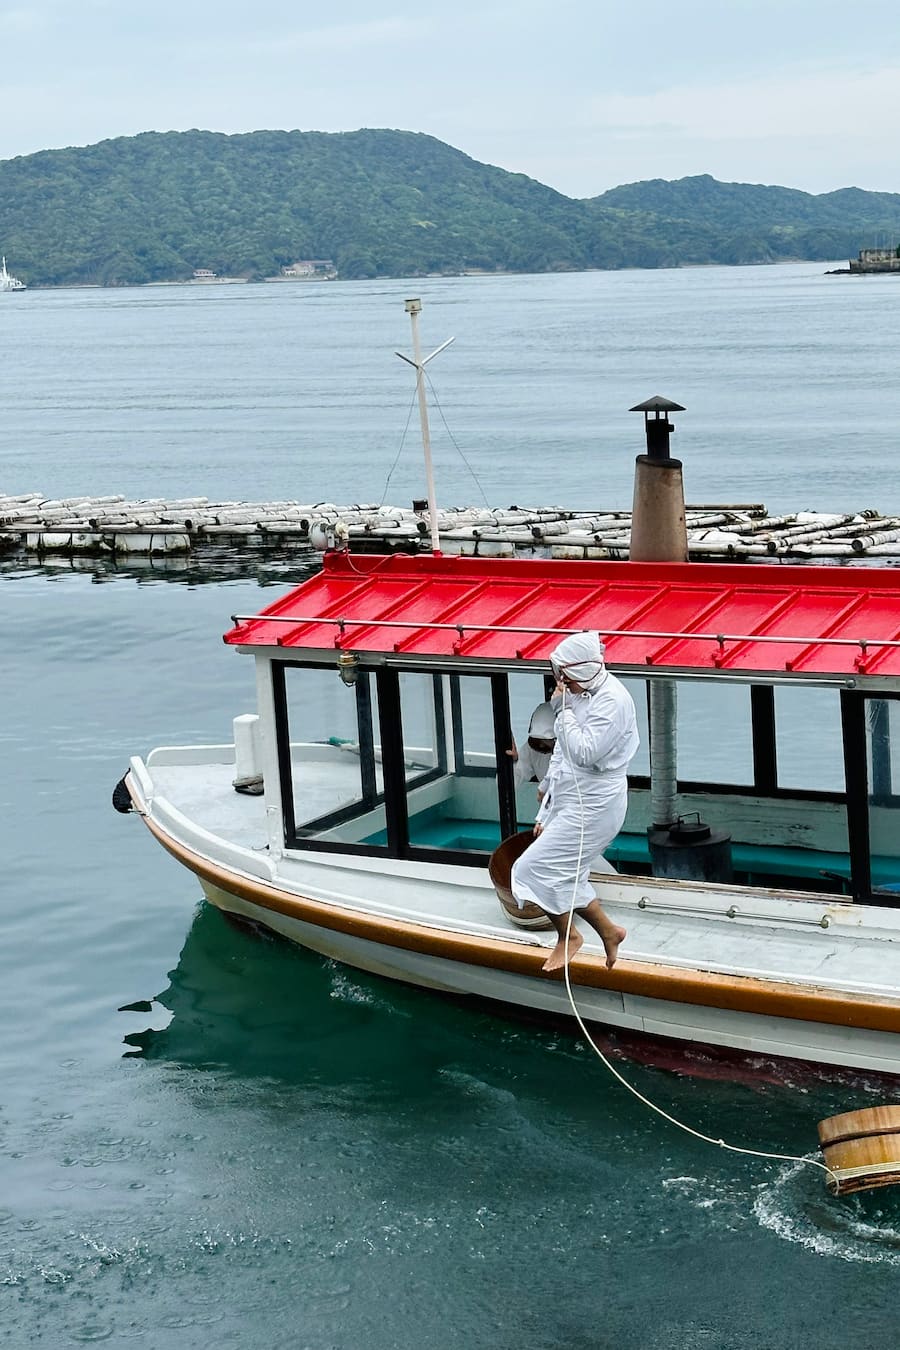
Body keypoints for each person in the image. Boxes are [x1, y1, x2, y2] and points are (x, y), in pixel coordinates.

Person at [510, 630, 639, 975]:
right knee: (568, 874)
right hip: (570, 796)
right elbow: (561, 754)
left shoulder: (612, 701)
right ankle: (610, 933)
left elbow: (582, 753)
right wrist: (548, 798)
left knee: (528, 869)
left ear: (581, 672)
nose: (560, 682)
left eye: (564, 675)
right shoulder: (577, 696)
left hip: (597, 802)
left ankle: (568, 936)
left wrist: (562, 710)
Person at [506, 701, 556, 787]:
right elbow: (509, 784)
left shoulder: (575, 752)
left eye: (545, 741)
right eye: (537, 740)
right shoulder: (531, 749)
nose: (540, 745)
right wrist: (513, 761)